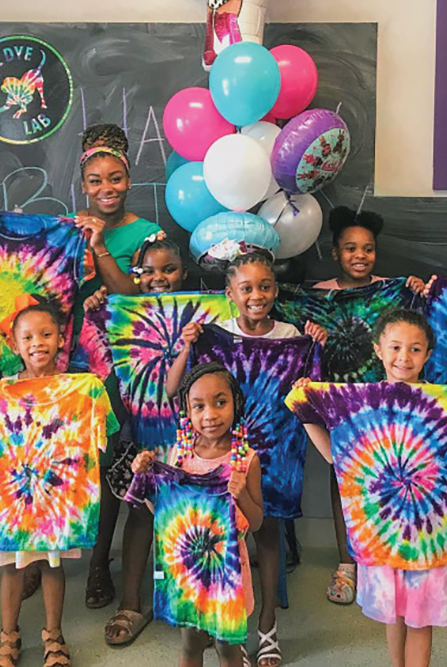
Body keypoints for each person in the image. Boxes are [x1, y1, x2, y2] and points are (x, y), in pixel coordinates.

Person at [294, 309, 447, 667]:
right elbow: (339, 459)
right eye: (396, 347)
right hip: (383, 536)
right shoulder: (361, 404)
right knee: (393, 615)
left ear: (428, 355)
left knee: (420, 621)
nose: (404, 357)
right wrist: (305, 413)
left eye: (415, 349)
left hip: (428, 538)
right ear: (378, 350)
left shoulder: (445, 405)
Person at [168, 251, 326, 667]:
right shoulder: (213, 335)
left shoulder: (294, 335)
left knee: (267, 536)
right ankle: (231, 628)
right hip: (223, 456)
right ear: (230, 294)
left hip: (276, 453)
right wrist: (188, 344)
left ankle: (268, 627)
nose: (257, 295)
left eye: (265, 286)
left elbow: (312, 395)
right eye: (247, 288)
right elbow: (177, 390)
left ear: (275, 289)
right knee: (227, 545)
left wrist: (317, 346)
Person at [0, 297, 117, 667]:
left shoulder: (77, 389)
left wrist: (95, 394)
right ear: (15, 345)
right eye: (27, 337)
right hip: (12, 501)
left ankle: (53, 636)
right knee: (11, 567)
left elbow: (105, 430)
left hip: (58, 500)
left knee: (52, 566)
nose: (37, 342)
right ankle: (8, 637)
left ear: (61, 339)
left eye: (46, 334)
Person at [311, 206, 424, 606]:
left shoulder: (392, 292)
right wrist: (313, 336)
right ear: (335, 251)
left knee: (386, 482)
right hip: (341, 409)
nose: (360, 256)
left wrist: (416, 291)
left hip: (387, 410)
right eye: (350, 248)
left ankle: (382, 558)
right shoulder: (317, 297)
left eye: (368, 249)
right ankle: (347, 564)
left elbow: (415, 328)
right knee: (341, 482)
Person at [132, 362, 263, 667]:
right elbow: (162, 516)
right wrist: (147, 476)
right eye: (199, 406)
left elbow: (256, 522)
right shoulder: (179, 455)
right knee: (190, 647)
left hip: (227, 574)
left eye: (220, 402)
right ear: (187, 413)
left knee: (228, 650)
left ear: (236, 403)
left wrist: (241, 493)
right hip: (187, 573)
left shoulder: (246, 461)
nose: (210, 415)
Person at [96, 233, 191, 645]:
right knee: (140, 514)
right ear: (136, 275)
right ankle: (131, 601)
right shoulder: (123, 314)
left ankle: (186, 599)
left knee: (190, 517)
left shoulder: (202, 314)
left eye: (168, 269)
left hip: (192, 432)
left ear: (183, 273)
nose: (158, 278)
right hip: (142, 430)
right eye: (148, 271)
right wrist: (95, 312)